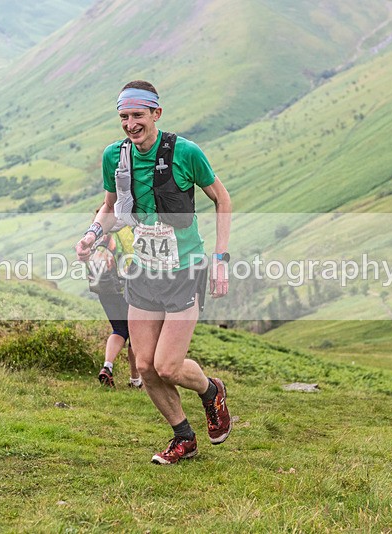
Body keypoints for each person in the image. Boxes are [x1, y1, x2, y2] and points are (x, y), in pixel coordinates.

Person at [76, 80, 232, 465]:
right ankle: (184, 437)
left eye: (138, 115)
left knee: (168, 366)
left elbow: (222, 199)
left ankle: (211, 391)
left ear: (156, 114)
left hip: (184, 269)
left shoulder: (186, 153)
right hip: (143, 271)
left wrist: (221, 259)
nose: (130, 124)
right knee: (145, 366)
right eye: (124, 117)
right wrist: (92, 235)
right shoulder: (115, 157)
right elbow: (110, 206)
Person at [87, 218, 142, 389]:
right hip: (125, 288)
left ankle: (107, 366)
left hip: (105, 290)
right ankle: (135, 380)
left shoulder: (96, 236)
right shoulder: (126, 232)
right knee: (134, 334)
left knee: (119, 329)